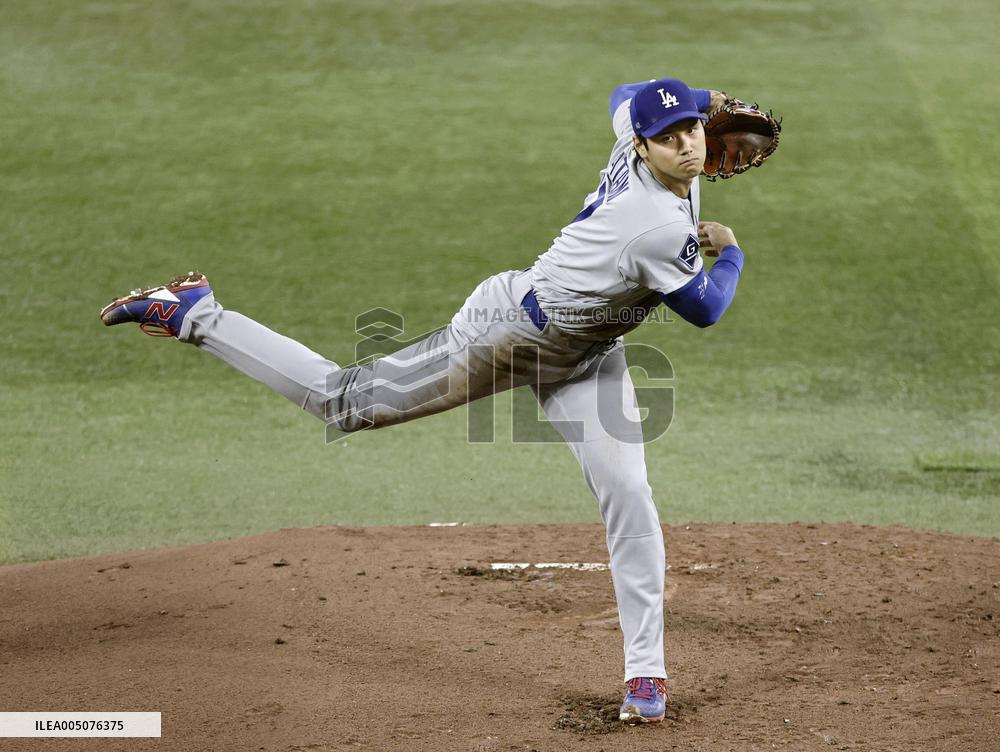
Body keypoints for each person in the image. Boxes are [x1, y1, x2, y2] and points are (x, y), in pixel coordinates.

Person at [100, 77, 747, 724]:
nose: (689, 147)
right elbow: (706, 309)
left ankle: (646, 676)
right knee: (345, 404)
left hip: (589, 354)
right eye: (669, 138)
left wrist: (702, 97)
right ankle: (197, 314)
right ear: (641, 145)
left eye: (691, 129)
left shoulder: (639, 137)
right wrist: (731, 251)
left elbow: (623, 91)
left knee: (629, 493)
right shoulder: (654, 226)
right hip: (508, 334)